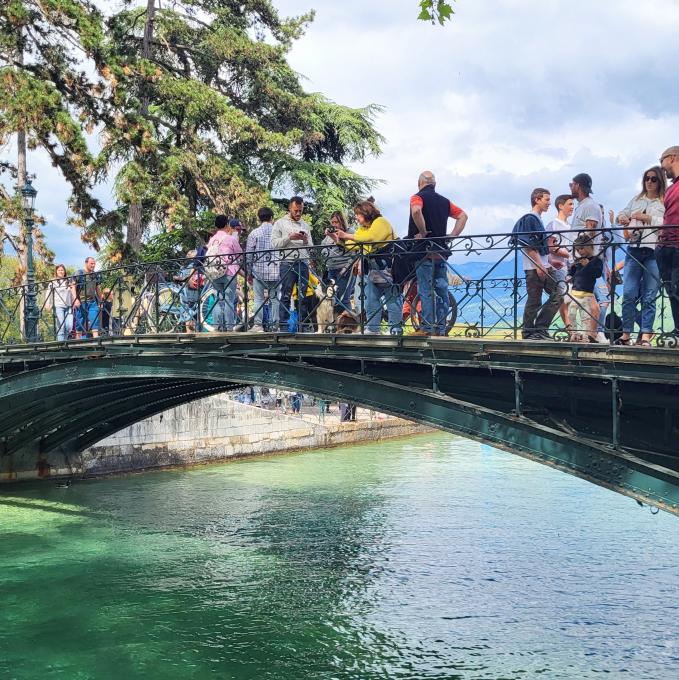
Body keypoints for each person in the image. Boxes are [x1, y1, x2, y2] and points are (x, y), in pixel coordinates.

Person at [328, 200, 403, 335]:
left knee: (392, 298)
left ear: (365, 212)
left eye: (358, 214)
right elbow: (354, 244)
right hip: (373, 268)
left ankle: (395, 330)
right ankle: (373, 329)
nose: (356, 217)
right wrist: (338, 239)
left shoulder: (380, 222)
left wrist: (346, 235)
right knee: (370, 299)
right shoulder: (364, 228)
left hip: (388, 266)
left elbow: (371, 238)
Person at [409, 171, 468, 336]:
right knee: (442, 290)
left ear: (420, 183)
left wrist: (423, 231)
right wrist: (452, 236)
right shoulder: (445, 201)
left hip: (424, 252)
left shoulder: (417, 197)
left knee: (426, 290)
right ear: (434, 184)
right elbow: (463, 216)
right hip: (441, 252)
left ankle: (427, 328)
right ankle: (441, 328)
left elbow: (416, 211)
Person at [615, 166, 666, 345]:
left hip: (653, 251)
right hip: (634, 249)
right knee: (628, 293)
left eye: (653, 179)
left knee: (650, 295)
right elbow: (622, 213)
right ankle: (626, 334)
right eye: (647, 178)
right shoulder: (637, 199)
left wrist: (648, 219)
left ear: (660, 181)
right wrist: (621, 218)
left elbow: (668, 223)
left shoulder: (664, 201)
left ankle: (645, 335)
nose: (649, 182)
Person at [512, 188, 560, 339]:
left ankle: (535, 330)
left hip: (538, 266)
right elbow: (528, 245)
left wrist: (549, 261)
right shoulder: (531, 218)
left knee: (545, 297)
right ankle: (533, 331)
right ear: (537, 200)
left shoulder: (535, 219)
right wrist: (540, 265)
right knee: (546, 296)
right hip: (535, 267)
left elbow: (535, 246)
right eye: (546, 199)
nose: (549, 203)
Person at [569, 173, 608, 343]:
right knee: (583, 300)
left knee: (596, 300)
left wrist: (586, 257)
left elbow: (590, 232)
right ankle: (589, 333)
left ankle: (595, 333)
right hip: (582, 260)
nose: (570, 187)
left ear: (578, 185)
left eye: (572, 184)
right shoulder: (583, 206)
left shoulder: (590, 206)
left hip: (589, 261)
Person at [271, 196, 314, 332]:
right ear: (290, 208)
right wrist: (289, 237)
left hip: (303, 263)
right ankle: (283, 326)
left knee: (303, 295)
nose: (298, 213)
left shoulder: (305, 225)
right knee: (286, 294)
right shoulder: (279, 223)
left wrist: (305, 240)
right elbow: (274, 243)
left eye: (300, 211)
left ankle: (302, 325)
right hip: (287, 263)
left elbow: (311, 246)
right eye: (296, 210)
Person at [205, 215, 243, 331]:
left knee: (218, 299)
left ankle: (217, 326)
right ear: (227, 225)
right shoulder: (230, 239)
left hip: (214, 273)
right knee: (229, 300)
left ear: (216, 226)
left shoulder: (212, 240)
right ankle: (229, 327)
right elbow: (240, 254)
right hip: (229, 272)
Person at [246, 207, 280, 332]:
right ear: (272, 218)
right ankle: (275, 325)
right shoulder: (278, 233)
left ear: (259, 219)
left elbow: (249, 255)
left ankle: (258, 325)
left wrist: (249, 272)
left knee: (258, 299)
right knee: (275, 299)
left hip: (259, 271)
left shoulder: (254, 233)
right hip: (275, 271)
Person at [658, 146, 679, 338]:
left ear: (672, 158)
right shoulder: (671, 188)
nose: (661, 166)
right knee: (672, 290)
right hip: (666, 246)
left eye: (661, 161)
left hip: (677, 244)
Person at [567, 234, 604, 342]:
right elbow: (572, 273)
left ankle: (584, 336)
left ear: (589, 246)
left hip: (586, 294)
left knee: (585, 317)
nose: (580, 252)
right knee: (571, 314)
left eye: (582, 248)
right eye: (578, 250)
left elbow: (597, 274)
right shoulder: (579, 260)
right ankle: (574, 334)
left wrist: (588, 265)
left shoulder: (596, 260)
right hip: (575, 292)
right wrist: (569, 275)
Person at [546, 195, 574, 329]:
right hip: (558, 265)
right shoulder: (553, 224)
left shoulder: (570, 226)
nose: (572, 207)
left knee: (569, 298)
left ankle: (573, 328)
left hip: (570, 265)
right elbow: (550, 246)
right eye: (570, 204)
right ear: (560, 206)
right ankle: (569, 328)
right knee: (561, 296)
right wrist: (569, 254)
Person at [321, 211, 356, 314]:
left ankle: (348, 325)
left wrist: (346, 268)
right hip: (331, 269)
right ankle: (337, 325)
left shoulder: (350, 232)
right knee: (333, 298)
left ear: (342, 221)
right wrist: (328, 236)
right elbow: (323, 250)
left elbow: (354, 252)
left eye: (337, 222)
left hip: (344, 269)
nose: (334, 225)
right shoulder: (329, 235)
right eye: (332, 222)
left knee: (344, 298)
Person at [71, 256, 102, 339]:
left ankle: (96, 339)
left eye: (94, 264)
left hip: (92, 301)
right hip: (81, 301)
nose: (93, 265)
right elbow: (72, 286)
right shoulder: (79, 273)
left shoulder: (95, 275)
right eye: (91, 263)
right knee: (80, 322)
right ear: (86, 263)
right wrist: (75, 299)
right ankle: (78, 342)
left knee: (94, 318)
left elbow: (98, 288)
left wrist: (101, 301)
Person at [47, 264, 73, 341]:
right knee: (61, 327)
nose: (61, 271)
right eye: (59, 270)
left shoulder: (68, 281)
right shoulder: (53, 282)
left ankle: (66, 342)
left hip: (69, 305)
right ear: (56, 272)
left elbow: (72, 292)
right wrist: (48, 303)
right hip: (58, 306)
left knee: (69, 326)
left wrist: (74, 301)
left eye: (62, 270)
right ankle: (61, 345)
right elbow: (48, 293)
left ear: (64, 271)